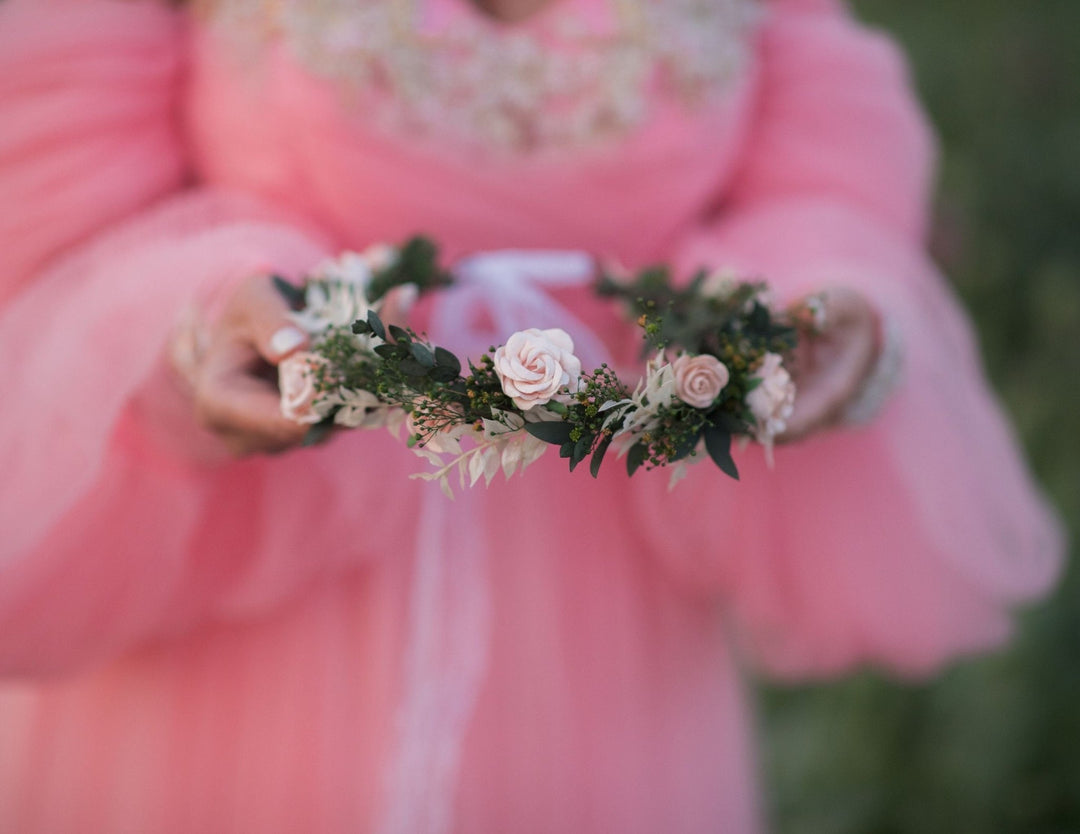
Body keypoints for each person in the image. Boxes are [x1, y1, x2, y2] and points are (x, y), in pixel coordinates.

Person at [0, 0, 1064, 831]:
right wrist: (192, 333)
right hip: (239, 613)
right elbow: (49, 221)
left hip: (597, 627)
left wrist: (799, 311)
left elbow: (815, 184)